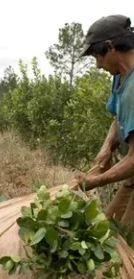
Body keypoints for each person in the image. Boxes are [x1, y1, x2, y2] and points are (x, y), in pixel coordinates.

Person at [77, 14, 134, 227]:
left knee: (124, 245)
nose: (97, 65)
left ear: (110, 47)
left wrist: (96, 181)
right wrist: (106, 149)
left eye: (96, 56)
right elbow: (119, 115)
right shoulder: (120, 76)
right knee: (108, 229)